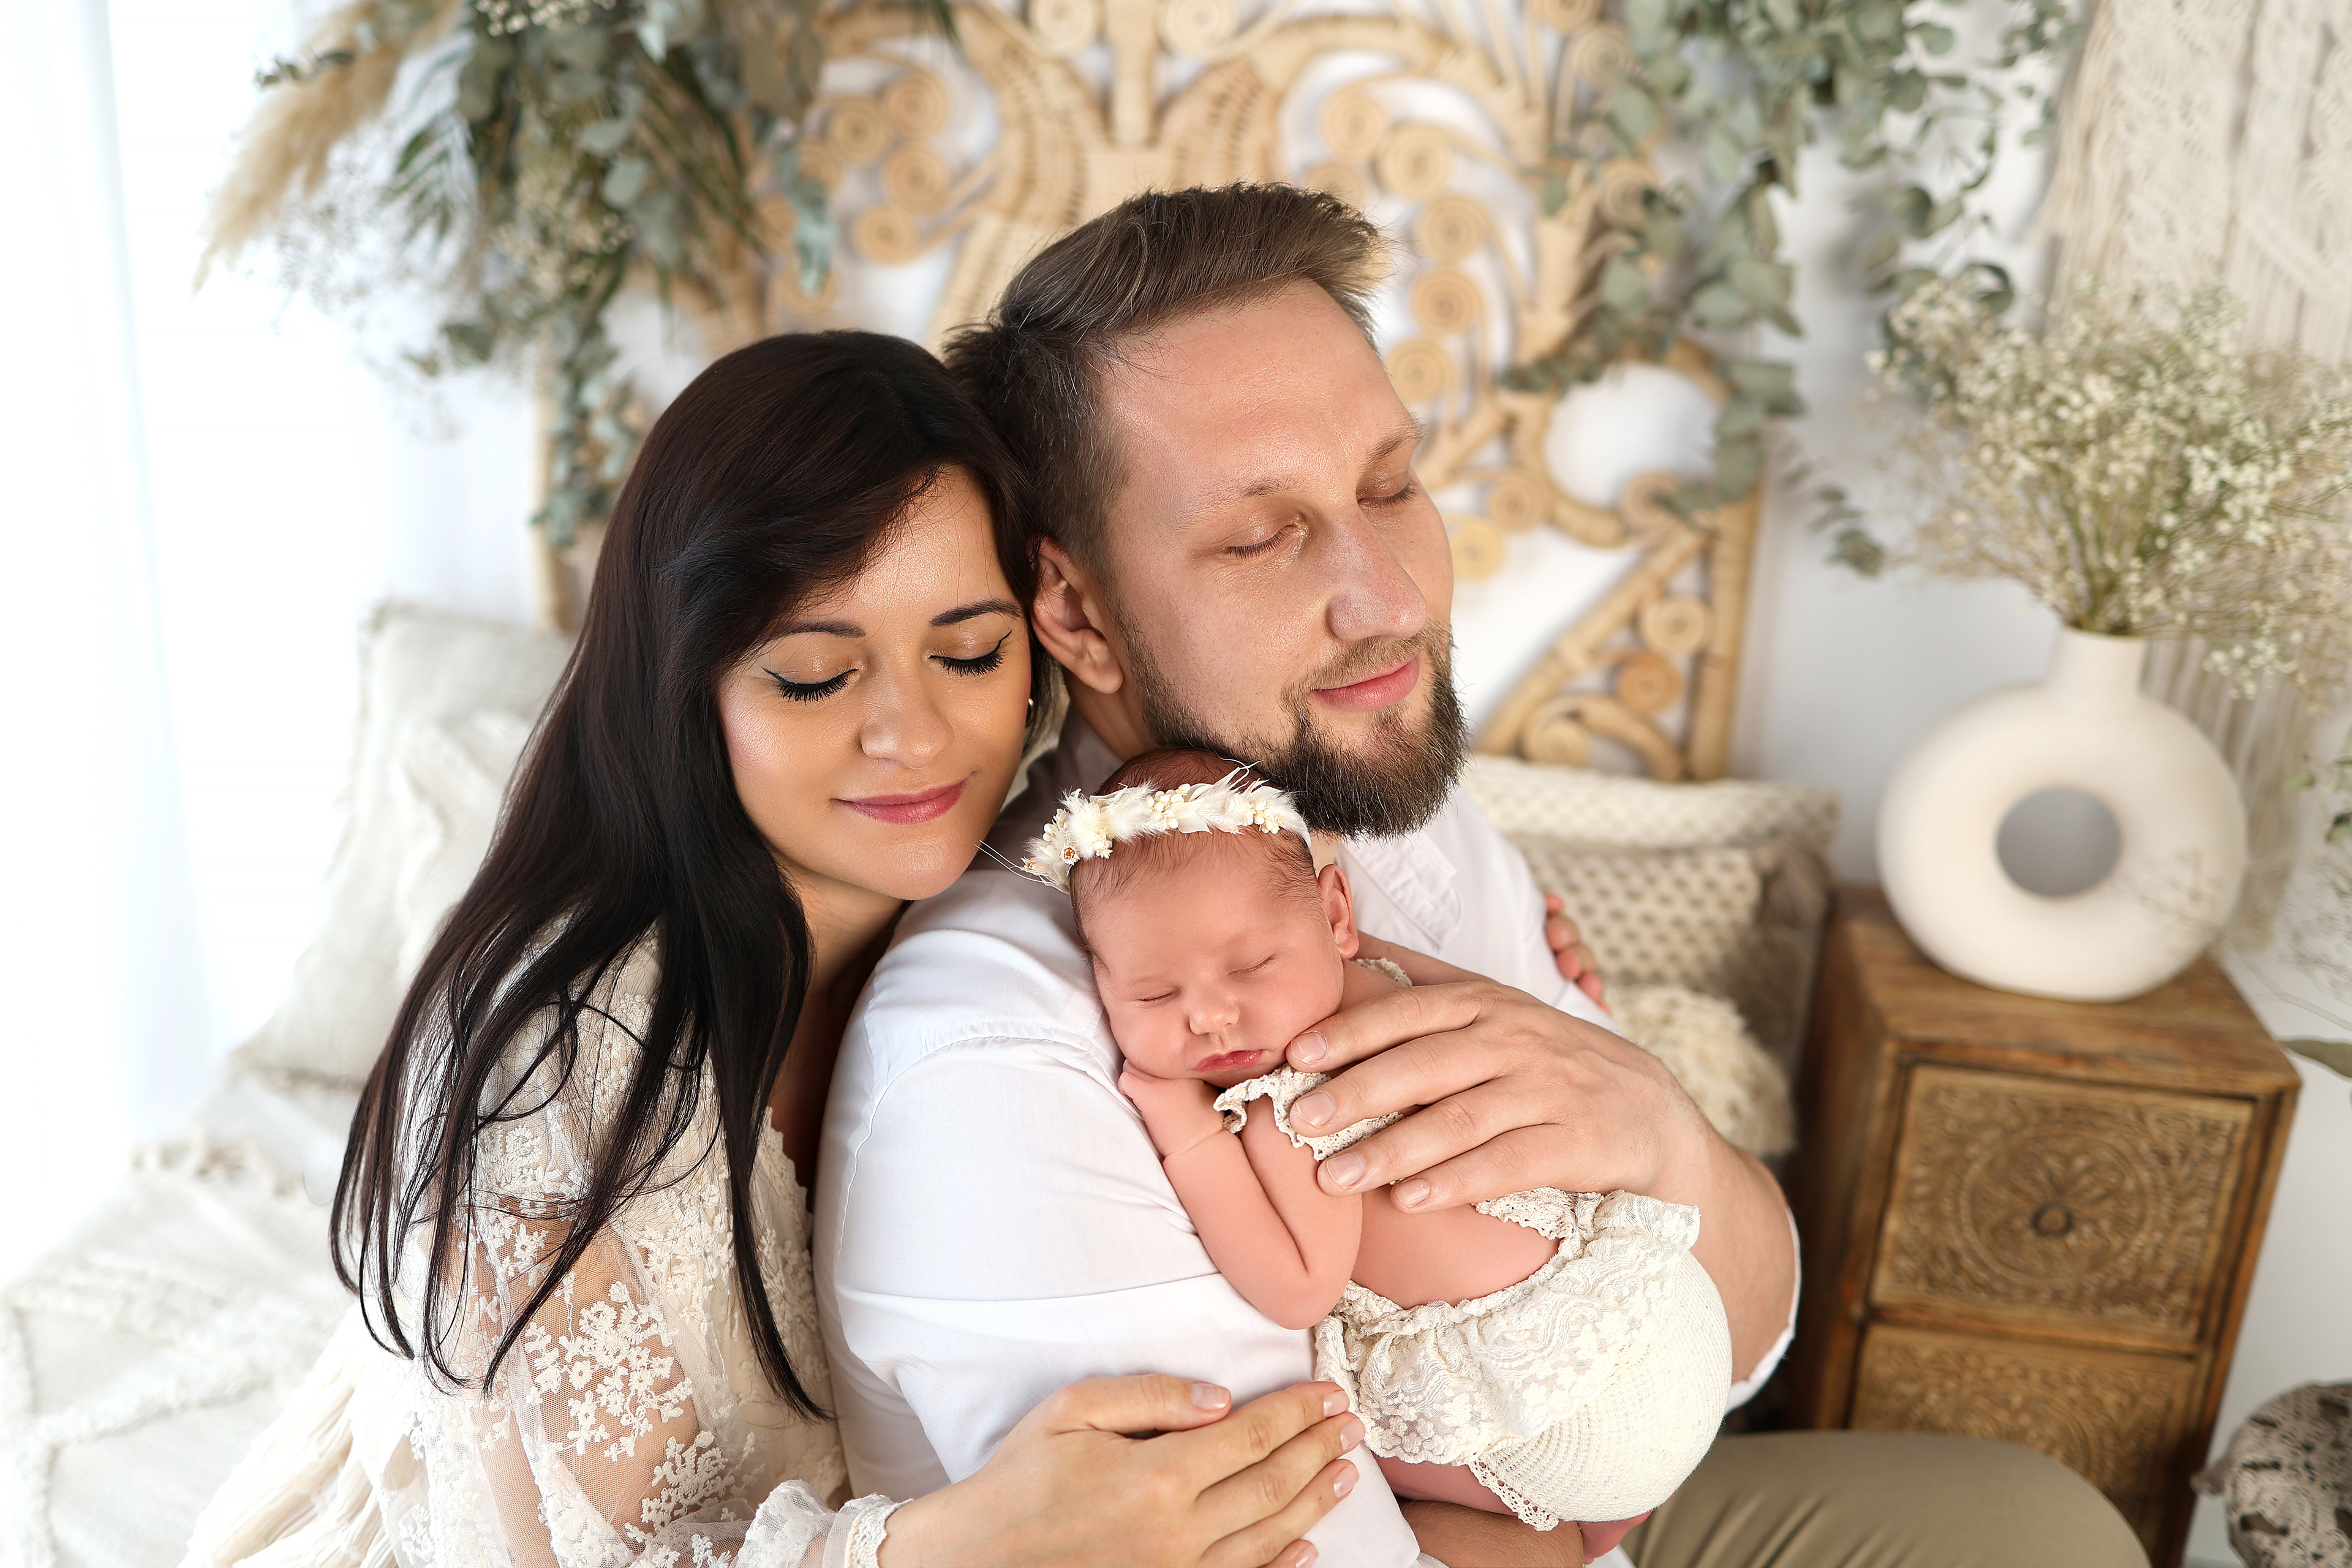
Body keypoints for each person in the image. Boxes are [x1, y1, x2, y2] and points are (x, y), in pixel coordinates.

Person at [818, 184, 2152, 1567]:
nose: (1391, 597)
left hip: (1577, 1487)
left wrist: (1663, 1133)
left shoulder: (1374, 800)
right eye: (1262, 534)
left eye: (1389, 484)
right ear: (1078, 612)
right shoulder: (1005, 1059)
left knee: (2045, 1528)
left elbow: (1737, 1334)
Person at [181, 332, 1367, 1568]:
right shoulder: (559, 1068)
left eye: (968, 652)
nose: (911, 734)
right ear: (691, 687)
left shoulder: (1073, 881)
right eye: (812, 676)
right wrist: (961, 1543)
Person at [1042, 747, 1732, 1559]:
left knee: (1346, 1434)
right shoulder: (1387, 979)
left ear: (1335, 913)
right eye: (1154, 994)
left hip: (1562, 1403)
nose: (1211, 1016)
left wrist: (1185, 1131)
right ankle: (1611, 1505)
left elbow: (1299, 1288)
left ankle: (1572, 1521)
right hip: (1666, 1304)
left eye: (1251, 966)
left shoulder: (1289, 1102)